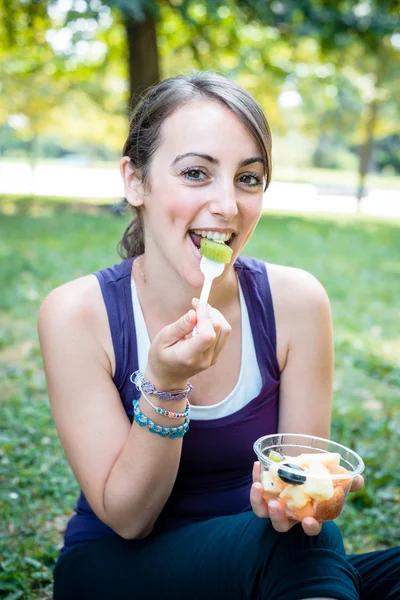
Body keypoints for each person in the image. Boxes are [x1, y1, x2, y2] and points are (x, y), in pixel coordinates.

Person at [38, 71, 399, 600]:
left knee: (299, 542)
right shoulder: (77, 314)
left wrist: (302, 494)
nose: (227, 205)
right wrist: (165, 384)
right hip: (117, 568)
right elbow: (129, 517)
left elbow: (292, 486)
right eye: (196, 173)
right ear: (136, 181)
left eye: (248, 178)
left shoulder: (297, 303)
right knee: (293, 552)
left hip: (264, 561)